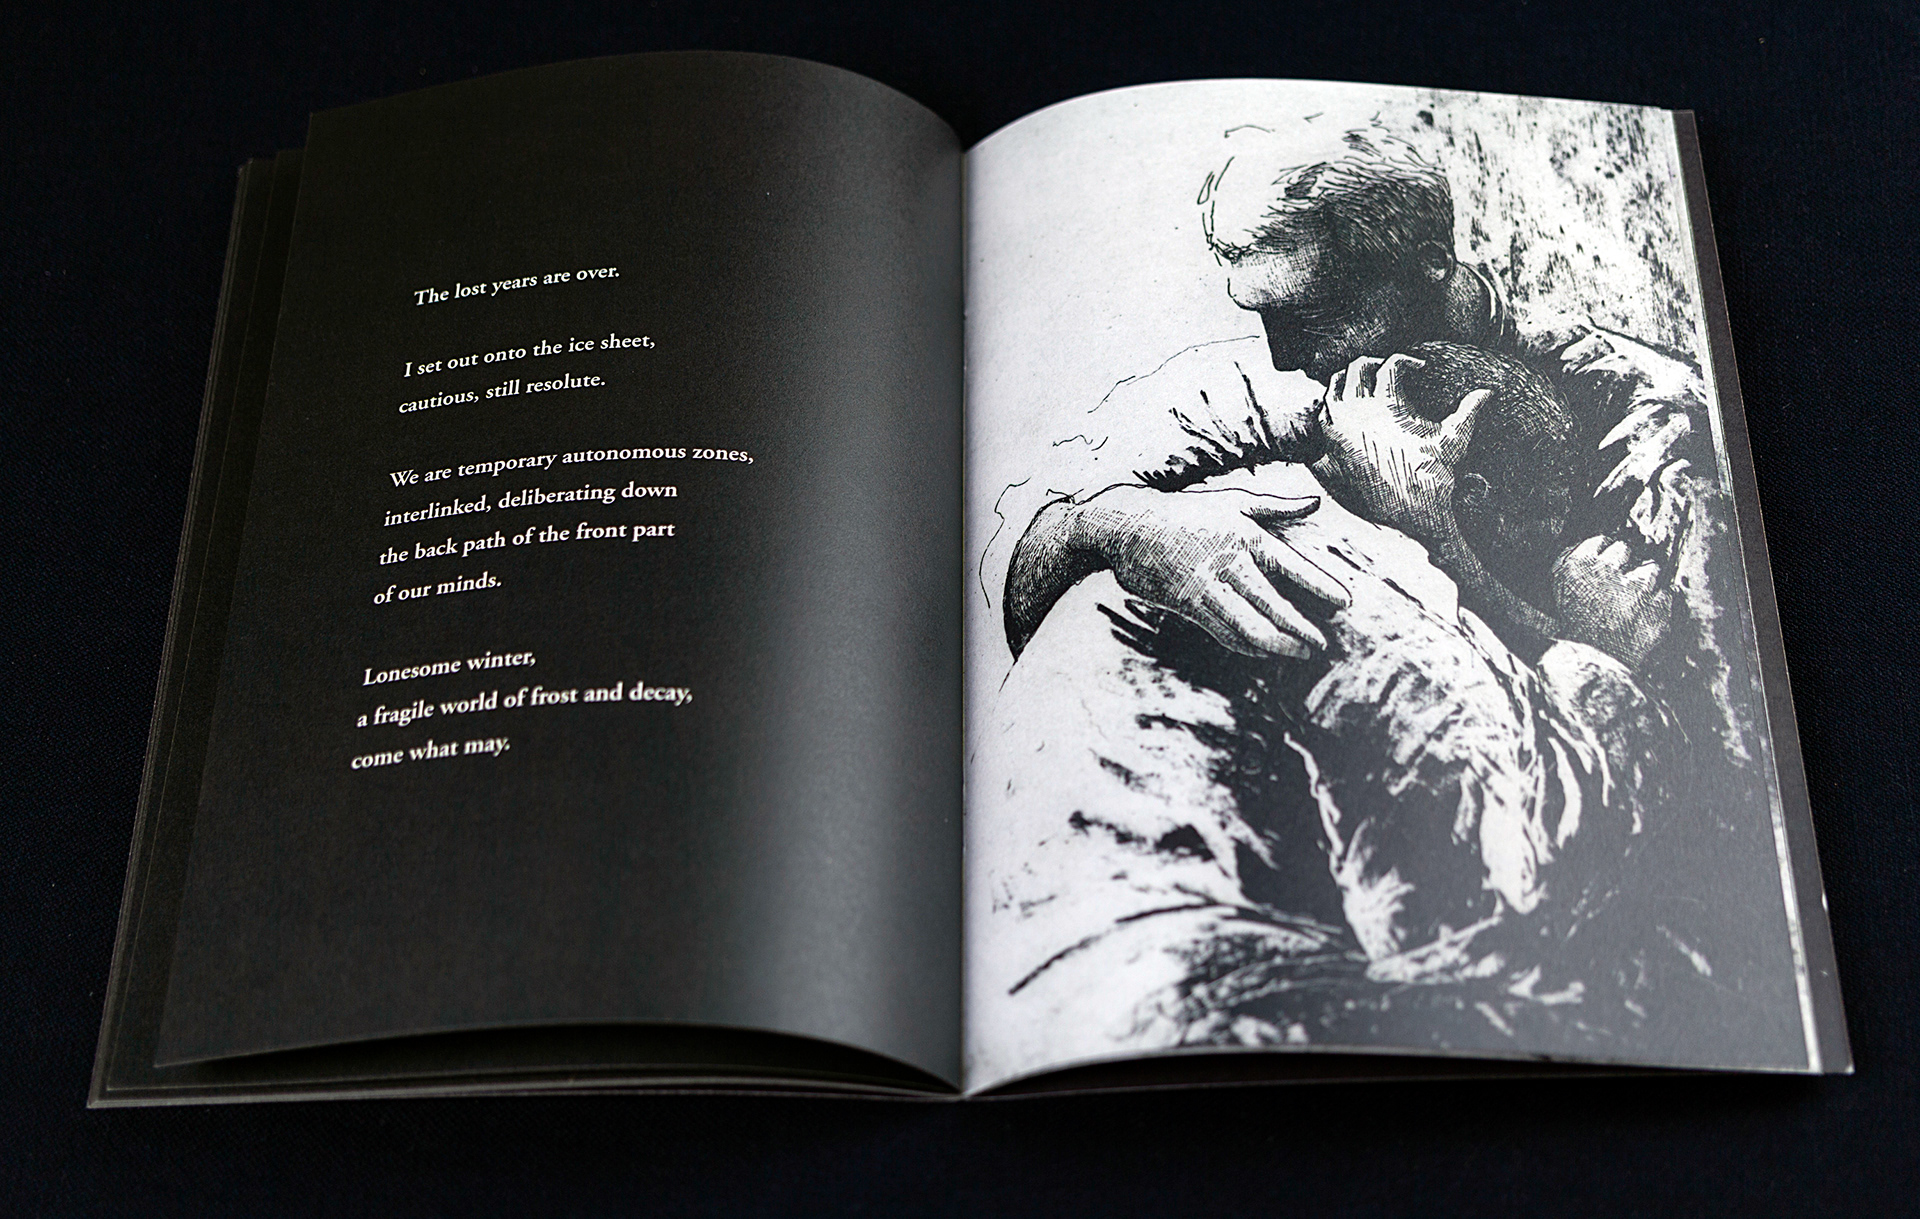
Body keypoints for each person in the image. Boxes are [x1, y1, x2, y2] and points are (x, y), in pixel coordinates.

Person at [966, 128, 1787, 1084]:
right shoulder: (1286, 388)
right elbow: (1022, 568)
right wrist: (1127, 528)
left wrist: (1436, 541)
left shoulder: (1636, 417)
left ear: (1428, 266)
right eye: (1259, 314)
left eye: (1308, 311)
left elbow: (1698, 790)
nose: (1281, 354)